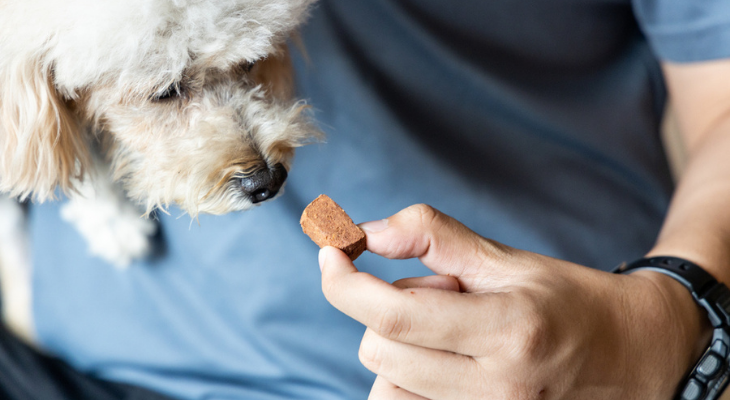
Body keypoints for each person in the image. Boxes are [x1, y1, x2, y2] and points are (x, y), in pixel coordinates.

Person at [4, 0, 730, 399]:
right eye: (166, 93)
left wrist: (671, 320)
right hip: (74, 364)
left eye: (254, 61)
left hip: (521, 374)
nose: (260, 161)